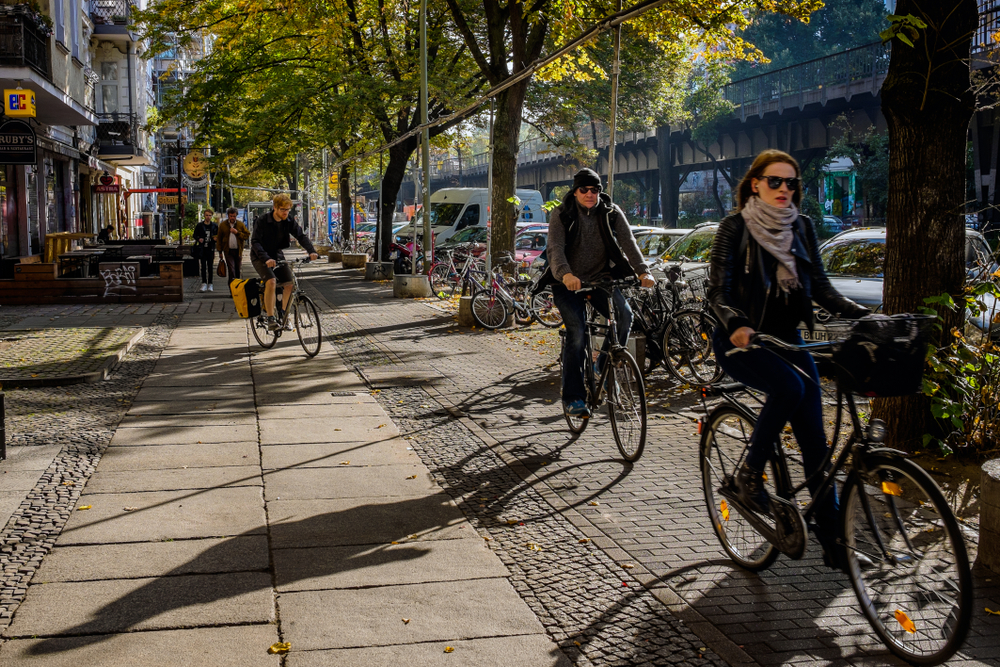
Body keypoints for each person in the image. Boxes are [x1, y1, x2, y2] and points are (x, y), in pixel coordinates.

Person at [706, 149, 870, 570]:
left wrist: (866, 316)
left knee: (816, 441)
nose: (784, 189)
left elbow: (821, 288)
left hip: (788, 341)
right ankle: (749, 474)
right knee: (790, 387)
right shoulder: (734, 227)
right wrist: (735, 322)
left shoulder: (803, 227)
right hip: (741, 340)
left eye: (791, 182)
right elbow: (719, 290)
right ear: (755, 183)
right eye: (775, 181)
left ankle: (835, 541)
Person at [542, 168, 656, 418]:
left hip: (601, 281)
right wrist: (565, 274)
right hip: (567, 284)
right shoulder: (562, 214)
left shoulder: (612, 213)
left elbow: (628, 242)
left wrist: (642, 271)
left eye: (595, 190)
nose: (590, 194)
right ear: (575, 192)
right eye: (584, 189)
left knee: (625, 316)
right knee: (577, 334)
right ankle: (574, 398)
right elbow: (555, 248)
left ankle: (602, 366)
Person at [250, 193, 319, 331]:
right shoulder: (263, 220)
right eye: (283, 209)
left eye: (288, 209)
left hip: (276, 254)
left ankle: (283, 314)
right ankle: (270, 318)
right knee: (271, 281)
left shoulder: (288, 221)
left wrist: (312, 251)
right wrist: (266, 258)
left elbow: (300, 235)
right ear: (275, 207)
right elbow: (255, 242)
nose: (286, 212)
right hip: (260, 255)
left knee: (289, 284)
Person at [217, 207, 250, 282]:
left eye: (234, 216)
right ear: (228, 216)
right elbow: (219, 238)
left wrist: (237, 233)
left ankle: (238, 287)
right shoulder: (223, 225)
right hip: (228, 251)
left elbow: (247, 235)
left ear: (236, 216)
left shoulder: (240, 224)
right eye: (231, 216)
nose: (232, 218)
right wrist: (220, 251)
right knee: (231, 270)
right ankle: (232, 288)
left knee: (237, 270)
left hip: (238, 250)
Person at [193, 209, 218, 292]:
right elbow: (194, 235)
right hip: (202, 249)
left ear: (212, 216)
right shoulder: (200, 225)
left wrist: (216, 239)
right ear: (204, 216)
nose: (208, 217)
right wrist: (198, 238)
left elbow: (218, 235)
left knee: (210, 267)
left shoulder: (214, 226)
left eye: (210, 215)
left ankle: (210, 283)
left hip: (210, 248)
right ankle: (204, 283)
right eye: (207, 215)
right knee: (203, 266)